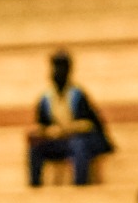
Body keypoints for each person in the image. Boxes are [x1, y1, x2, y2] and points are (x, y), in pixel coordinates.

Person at [28, 52, 112, 187]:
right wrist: (42, 132)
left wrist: (64, 130)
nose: (58, 72)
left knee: (79, 145)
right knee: (35, 147)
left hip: (78, 141)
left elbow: (89, 124)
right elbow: (41, 124)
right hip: (58, 142)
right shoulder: (46, 98)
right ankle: (34, 185)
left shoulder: (78, 95)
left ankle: (80, 184)